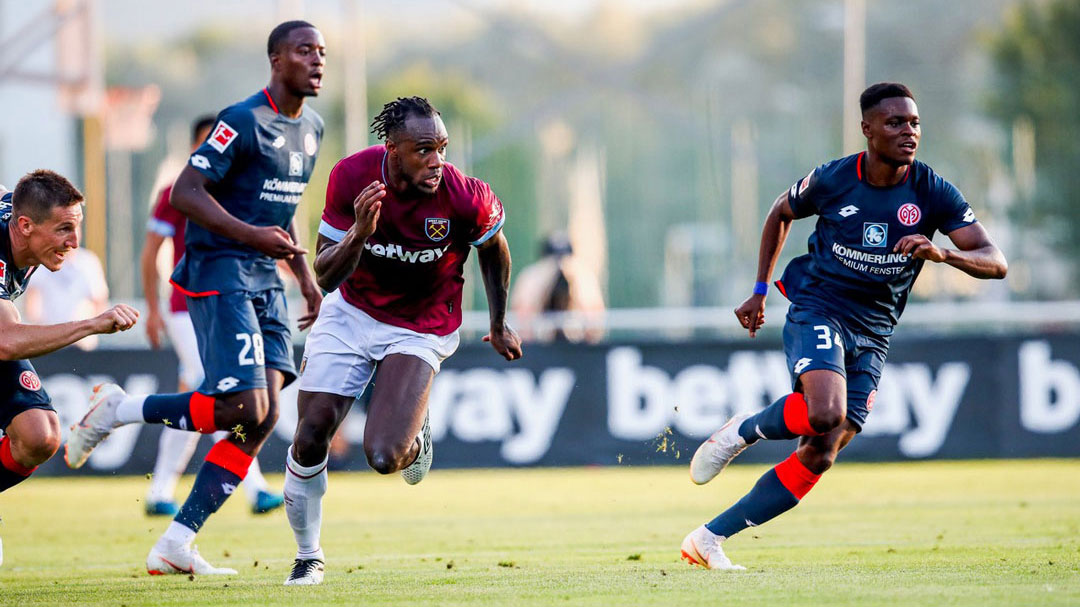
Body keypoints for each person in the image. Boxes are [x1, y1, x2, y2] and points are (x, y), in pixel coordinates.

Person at [681, 83, 1008, 570]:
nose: (908, 132)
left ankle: (707, 539)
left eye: (914, 123)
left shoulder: (932, 191)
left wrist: (945, 253)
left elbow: (995, 261)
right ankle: (742, 431)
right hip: (820, 307)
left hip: (875, 331)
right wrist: (759, 288)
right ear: (868, 129)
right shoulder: (835, 179)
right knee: (825, 412)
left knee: (821, 452)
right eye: (895, 123)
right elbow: (780, 211)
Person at [65, 20, 326, 576]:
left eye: (322, 52)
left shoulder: (314, 129)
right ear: (276, 60)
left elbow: (284, 214)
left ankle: (175, 543)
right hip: (218, 268)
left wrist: (304, 276)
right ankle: (119, 410)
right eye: (305, 50)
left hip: (267, 279)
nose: (318, 60)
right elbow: (186, 191)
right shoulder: (240, 120)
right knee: (245, 409)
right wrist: (252, 236)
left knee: (260, 418)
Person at [280, 96, 522, 586]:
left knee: (386, 457)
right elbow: (325, 275)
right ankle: (309, 556)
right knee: (310, 435)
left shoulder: (464, 195)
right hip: (351, 311)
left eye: (442, 149)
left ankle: (414, 437)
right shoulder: (351, 177)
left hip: (421, 324)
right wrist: (359, 234)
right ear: (390, 148)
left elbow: (495, 251)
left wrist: (498, 323)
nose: (437, 162)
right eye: (424, 151)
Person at [140, 116, 284, 517]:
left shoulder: (239, 193)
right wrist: (152, 309)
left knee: (199, 389)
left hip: (229, 303)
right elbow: (151, 251)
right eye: (207, 144)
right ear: (193, 149)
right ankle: (253, 486)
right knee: (222, 388)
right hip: (184, 306)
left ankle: (160, 490)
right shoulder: (176, 192)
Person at [0, 172, 139, 567]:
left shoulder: (16, 210)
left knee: (39, 436)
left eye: (75, 228)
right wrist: (92, 323)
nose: (74, 243)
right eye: (64, 230)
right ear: (25, 226)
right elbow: (6, 341)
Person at [510, 231, 605, 343]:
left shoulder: (583, 276)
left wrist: (573, 279)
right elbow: (520, 316)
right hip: (539, 342)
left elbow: (594, 318)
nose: (558, 265)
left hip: (576, 343)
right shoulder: (532, 277)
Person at [22, 247, 108, 351]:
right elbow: (32, 305)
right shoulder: (42, 261)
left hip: (81, 343)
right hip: (50, 342)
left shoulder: (88, 261)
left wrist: (86, 329)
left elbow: (99, 302)